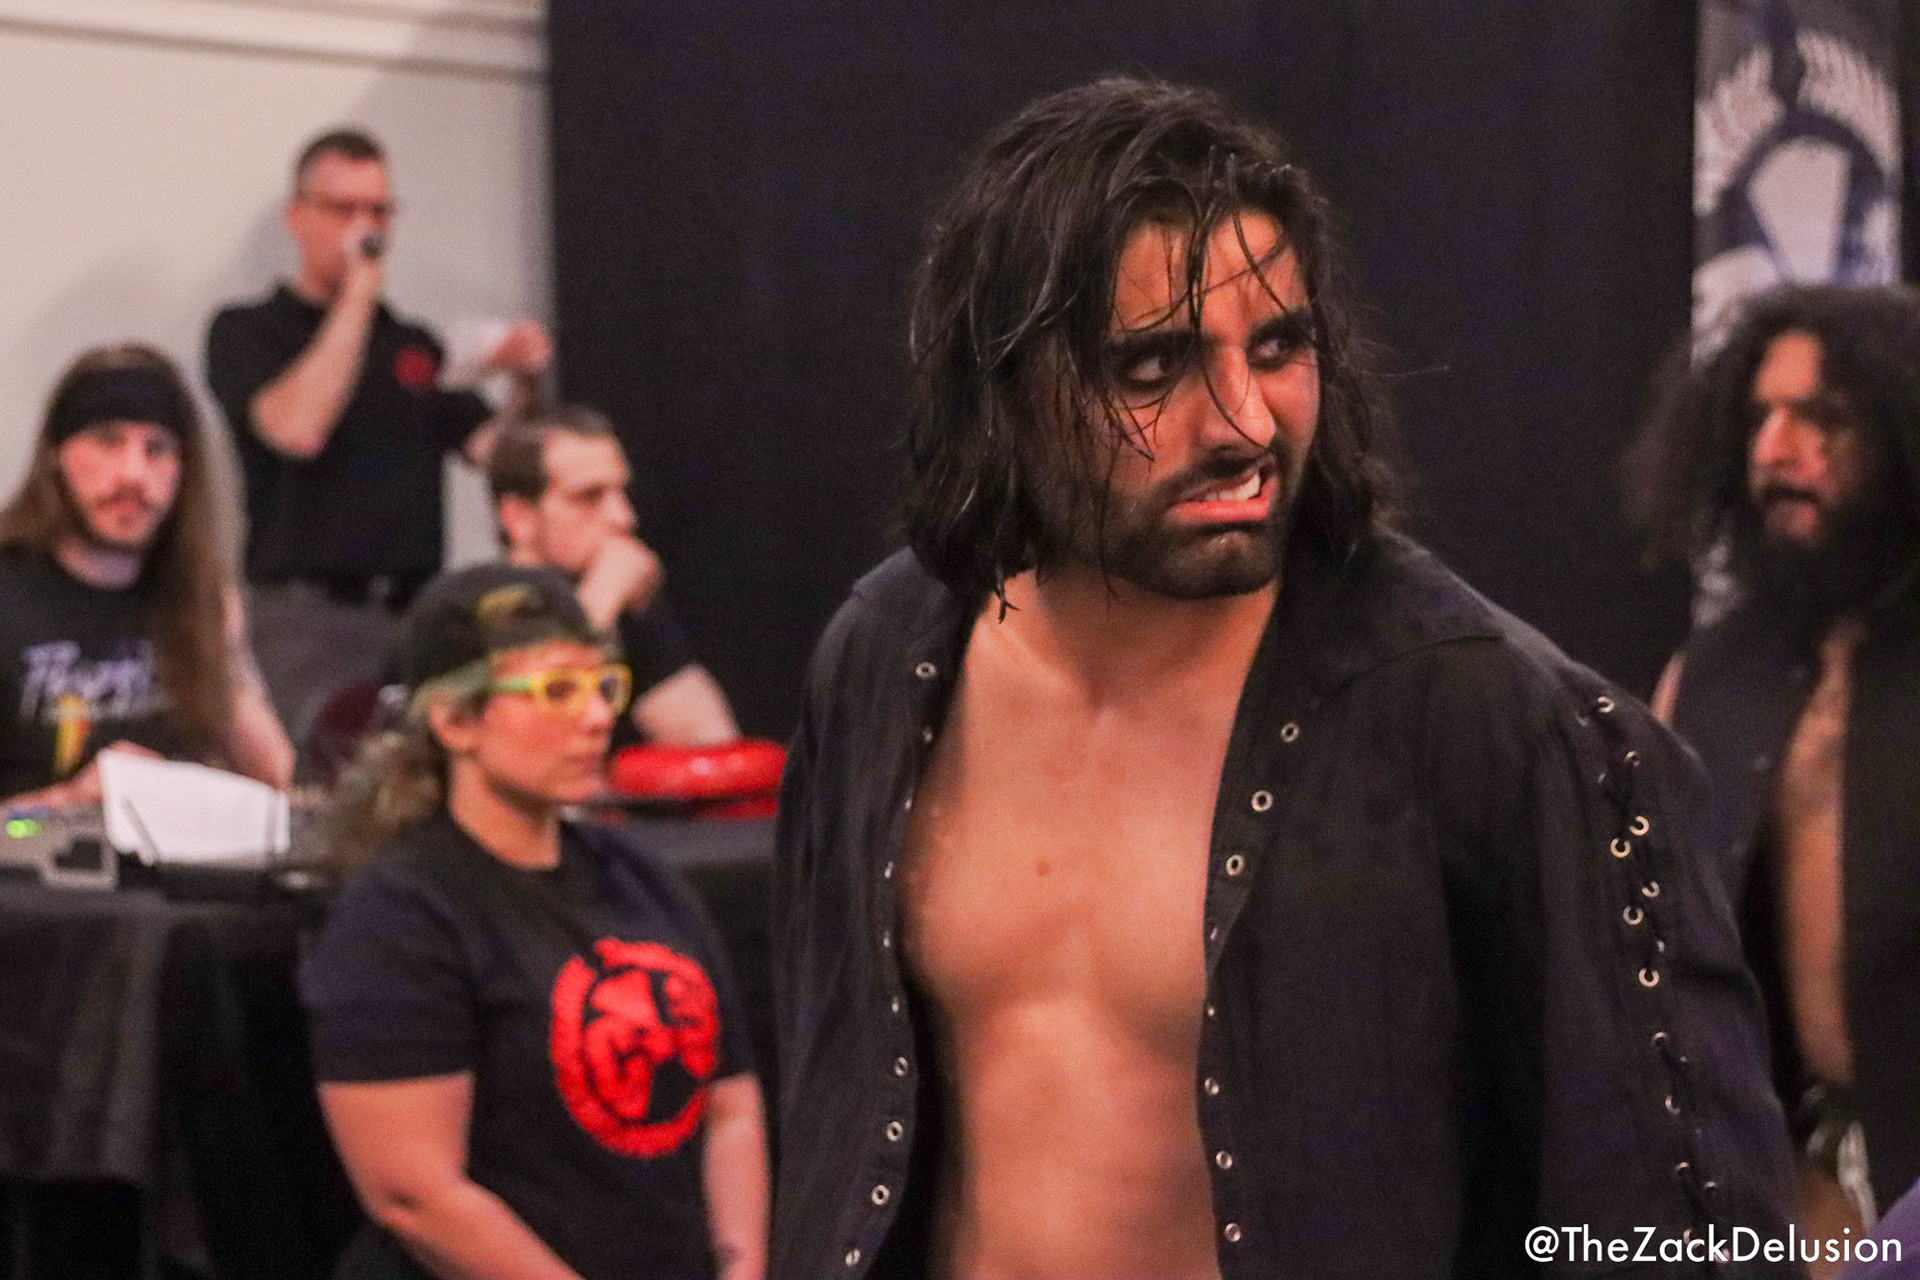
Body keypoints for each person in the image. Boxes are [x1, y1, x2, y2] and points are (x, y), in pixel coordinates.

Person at [772, 76, 1795, 1279]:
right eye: (1152, 366)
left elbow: (1685, 1229)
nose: (1245, 424)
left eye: (1279, 347)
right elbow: (833, 1113)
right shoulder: (886, 655)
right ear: (1004, 387)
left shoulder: (1493, 717)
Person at [301, 563, 768, 1280]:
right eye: (556, 690)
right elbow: (415, 1195)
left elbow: (729, 1104)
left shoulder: (642, 878)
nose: (597, 716)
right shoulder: (400, 915)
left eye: (602, 686)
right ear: (455, 721)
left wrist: (740, 1268)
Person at [1626, 284, 1920, 1243]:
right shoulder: (1709, 674)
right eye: (1759, 417)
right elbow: (1648, 949)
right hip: (1774, 1187)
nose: (1774, 451)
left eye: (1820, 418)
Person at [205, 127, 552, 744]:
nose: (366, 229)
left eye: (379, 211)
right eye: (345, 209)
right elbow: (296, 429)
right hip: (308, 617)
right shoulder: (248, 330)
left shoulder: (411, 345)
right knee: (322, 778)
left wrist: (523, 385)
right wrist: (359, 294)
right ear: (298, 216)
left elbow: (498, 455)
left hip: (416, 608)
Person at [0, 343, 291, 807]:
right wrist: (66, 803)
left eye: (156, 449)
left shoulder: (192, 594)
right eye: (108, 441)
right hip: (34, 851)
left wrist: (222, 651)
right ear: (57, 454)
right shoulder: (11, 592)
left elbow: (273, 781)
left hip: (176, 851)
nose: (133, 474)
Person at [489, 407, 740, 748]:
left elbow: (711, 742)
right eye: (588, 496)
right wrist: (602, 595)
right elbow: (530, 754)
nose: (624, 517)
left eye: (622, 493)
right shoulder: (470, 613)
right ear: (519, 517)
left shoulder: (623, 603)